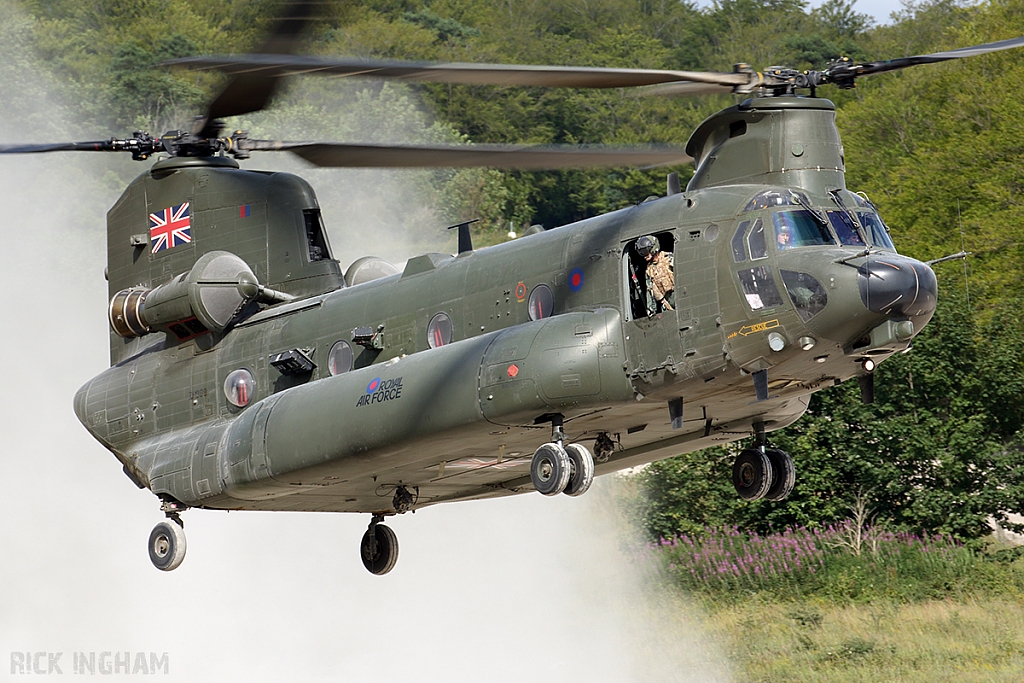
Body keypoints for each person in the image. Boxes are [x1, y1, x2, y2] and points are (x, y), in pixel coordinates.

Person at [637, 235, 674, 314]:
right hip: (668, 304)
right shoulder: (649, 270)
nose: (644, 254)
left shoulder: (668, 258)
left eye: (645, 250)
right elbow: (649, 290)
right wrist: (651, 308)